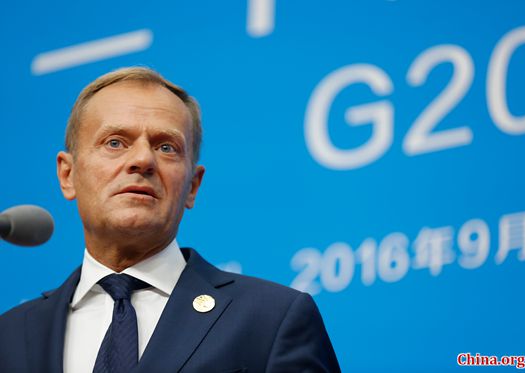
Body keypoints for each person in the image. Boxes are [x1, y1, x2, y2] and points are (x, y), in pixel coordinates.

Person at [0, 67, 340, 373]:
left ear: (192, 186)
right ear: (68, 174)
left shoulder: (271, 318)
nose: (143, 160)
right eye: (115, 142)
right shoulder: (10, 337)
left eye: (166, 148)